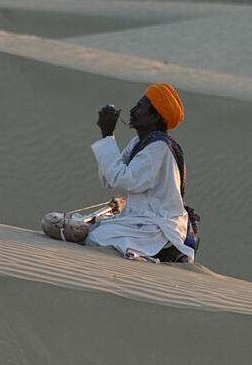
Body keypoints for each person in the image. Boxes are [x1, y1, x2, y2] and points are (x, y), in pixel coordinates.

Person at [42, 83, 196, 263]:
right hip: (139, 219)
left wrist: (108, 135)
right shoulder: (140, 142)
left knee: (94, 238)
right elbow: (109, 179)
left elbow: (123, 179)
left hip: (157, 225)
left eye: (140, 107)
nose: (132, 111)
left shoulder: (159, 148)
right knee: (91, 227)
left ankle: (162, 250)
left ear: (154, 116)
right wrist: (108, 135)